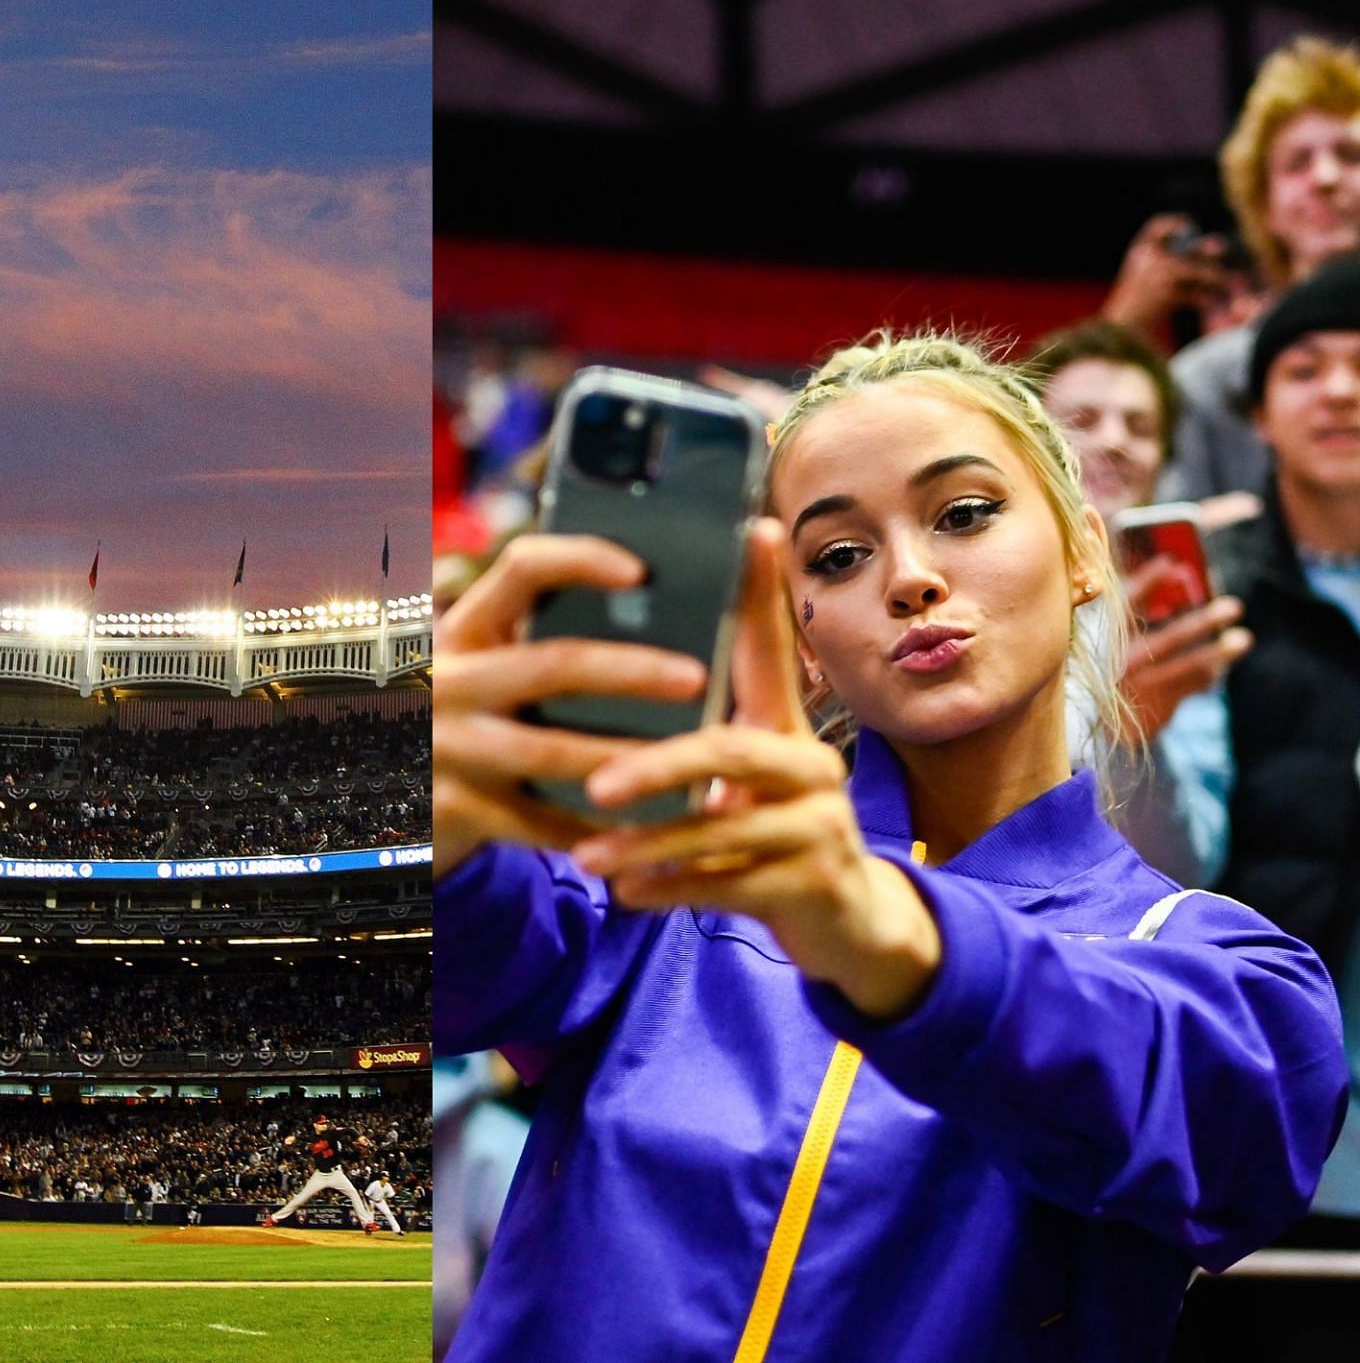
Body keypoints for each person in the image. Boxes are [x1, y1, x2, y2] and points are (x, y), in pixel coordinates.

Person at [435, 333, 1347, 1361]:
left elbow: (1241, 1152)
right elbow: (451, 978)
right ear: (805, 640)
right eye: (837, 556)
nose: (911, 578)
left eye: (964, 514)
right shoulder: (660, 880)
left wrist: (893, 938)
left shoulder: (1218, 966)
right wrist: (439, 840)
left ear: (1086, 549)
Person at [1205, 256, 1360, 1232]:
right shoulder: (1208, 588)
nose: (1342, 391)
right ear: (1259, 415)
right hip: (1259, 1052)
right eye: (1304, 369)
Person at [1025, 321, 1251, 887]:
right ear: (1027, 440)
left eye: (1140, 426)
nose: (1114, 441)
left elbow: (1189, 864)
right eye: (1082, 420)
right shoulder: (961, 585)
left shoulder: (1176, 617)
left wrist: (1133, 738)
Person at [1161, 37, 1360, 501]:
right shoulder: (1204, 383)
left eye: (1350, 156)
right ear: (1264, 205)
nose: (1326, 178)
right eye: (1297, 163)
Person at [261, 1112, 378, 1234]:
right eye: (321, 1124)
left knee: (354, 1194)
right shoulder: (312, 1137)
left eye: (325, 1123)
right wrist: (293, 1138)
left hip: (336, 1174)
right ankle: (273, 1219)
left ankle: (367, 1224)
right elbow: (302, 1137)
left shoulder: (331, 1133)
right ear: (315, 1125)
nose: (324, 1125)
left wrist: (359, 1137)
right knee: (300, 1199)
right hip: (320, 1175)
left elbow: (349, 1130)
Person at [364, 1168, 404, 1235]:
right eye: (386, 1176)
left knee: (389, 1214)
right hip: (371, 1200)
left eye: (388, 1176)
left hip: (380, 1201)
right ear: (382, 1177)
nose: (387, 1177)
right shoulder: (374, 1184)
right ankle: (369, 1230)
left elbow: (392, 1197)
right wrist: (368, 1205)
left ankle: (397, 1230)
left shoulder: (387, 1186)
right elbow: (366, 1195)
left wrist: (397, 1206)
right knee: (370, 1214)